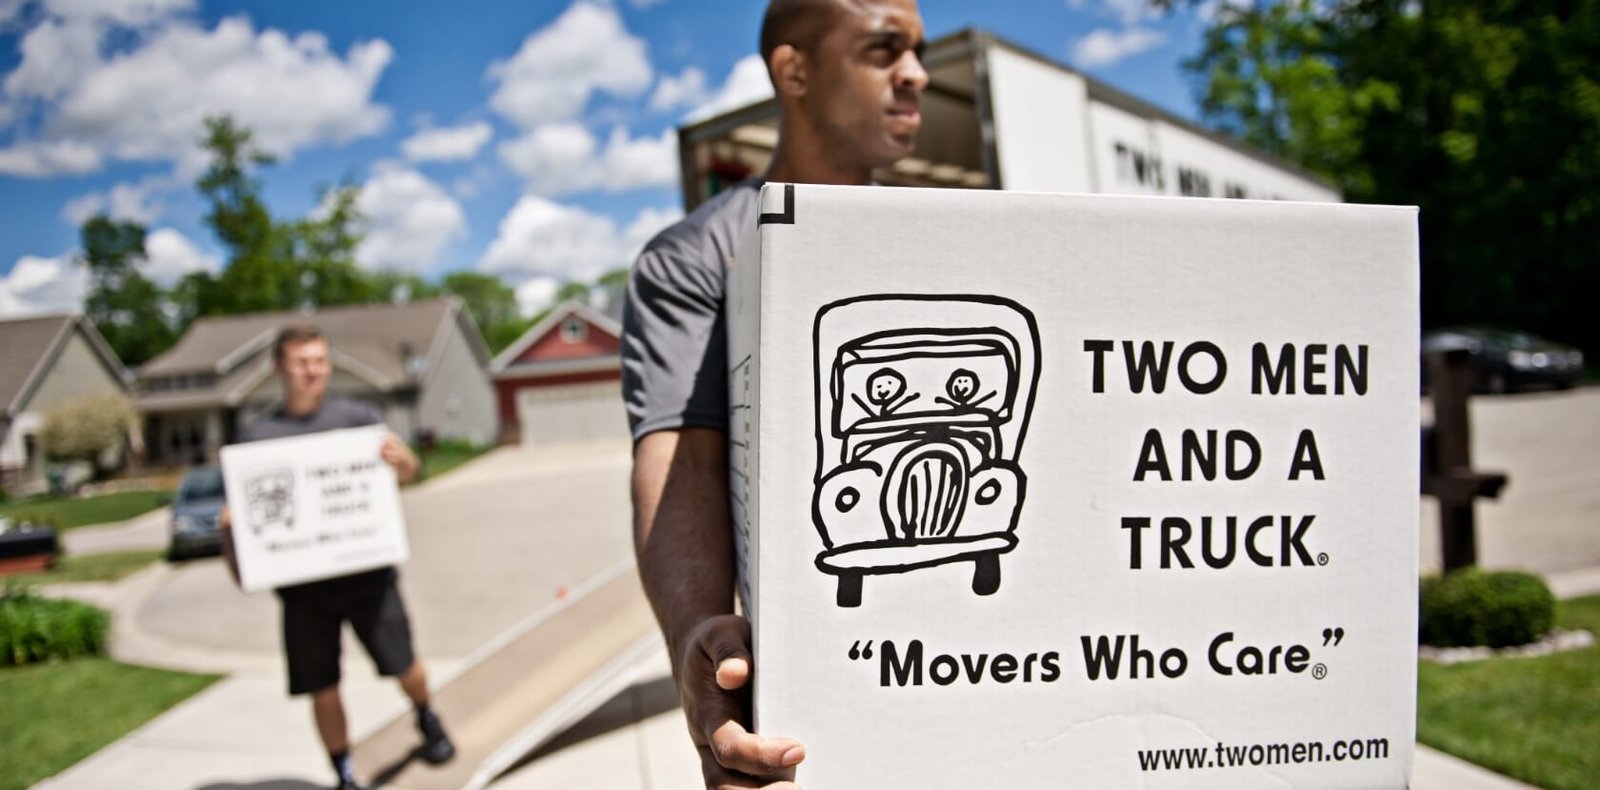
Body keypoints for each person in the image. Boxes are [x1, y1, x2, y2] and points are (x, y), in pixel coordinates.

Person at [621, 1, 928, 786]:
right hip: (807, 697)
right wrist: (699, 636)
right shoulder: (697, 258)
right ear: (794, 70)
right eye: (884, 48)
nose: (917, 74)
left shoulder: (947, 241)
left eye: (917, 51)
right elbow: (683, 458)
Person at [220, 324, 454, 790]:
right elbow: (240, 527)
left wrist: (403, 460)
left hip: (368, 575)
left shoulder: (359, 419)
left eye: (320, 361)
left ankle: (426, 715)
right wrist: (234, 547)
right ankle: (345, 771)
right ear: (278, 368)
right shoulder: (256, 438)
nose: (313, 371)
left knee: (404, 663)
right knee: (322, 685)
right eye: (302, 362)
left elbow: (411, 473)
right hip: (303, 588)